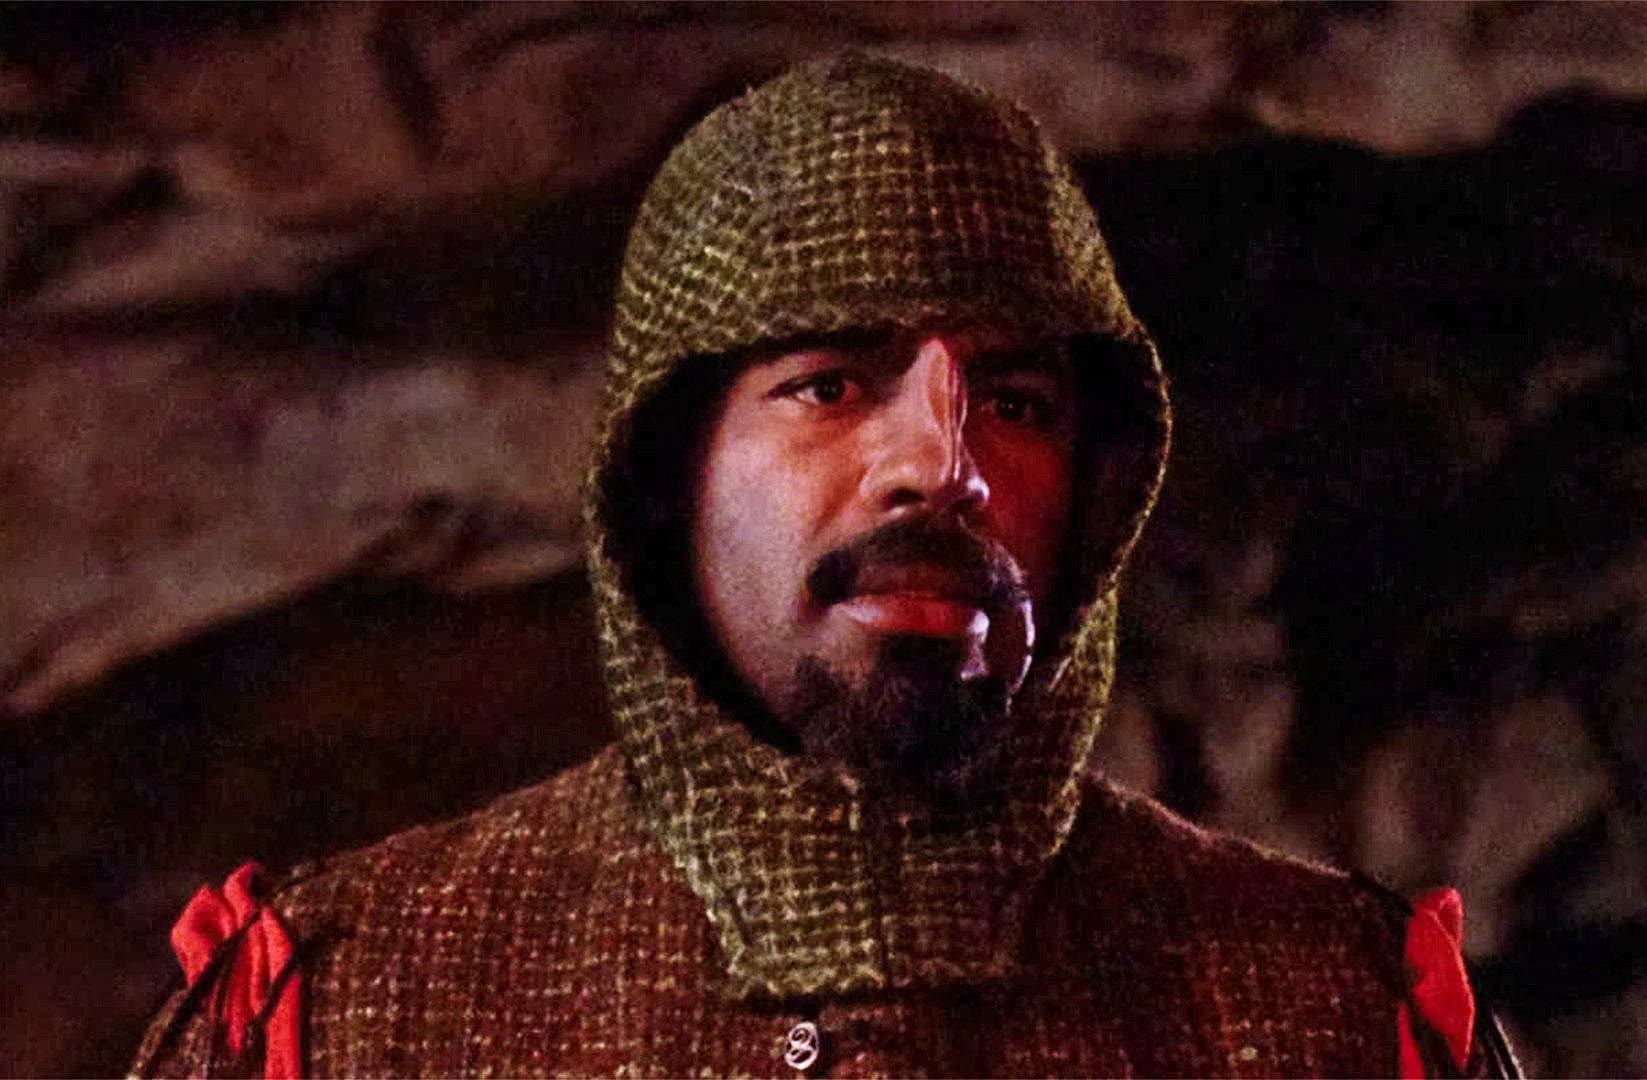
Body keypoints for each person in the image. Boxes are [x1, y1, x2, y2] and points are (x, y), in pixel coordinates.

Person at [132, 55, 1517, 1078]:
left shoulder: (1334, 1016)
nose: (944, 464)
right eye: (831, 385)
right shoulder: (348, 1013)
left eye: (1016, 402)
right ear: (670, 470)